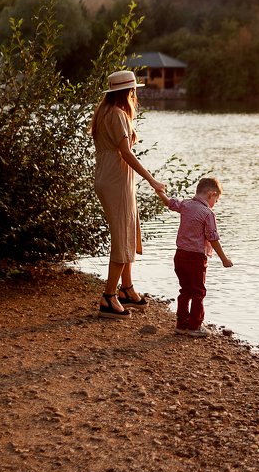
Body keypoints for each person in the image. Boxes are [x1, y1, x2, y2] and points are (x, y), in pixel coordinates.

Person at [90, 70, 166, 320]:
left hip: (108, 177)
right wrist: (152, 180)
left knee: (128, 231)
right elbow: (126, 152)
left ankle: (127, 289)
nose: (134, 94)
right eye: (133, 90)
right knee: (123, 238)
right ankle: (109, 296)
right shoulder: (118, 114)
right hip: (117, 180)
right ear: (128, 92)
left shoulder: (103, 112)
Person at [155, 177, 234, 336]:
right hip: (196, 258)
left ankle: (181, 324)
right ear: (211, 194)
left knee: (185, 290)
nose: (215, 204)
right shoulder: (208, 213)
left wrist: (160, 192)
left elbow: (170, 203)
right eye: (216, 200)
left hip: (180, 255)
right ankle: (195, 326)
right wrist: (224, 259)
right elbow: (213, 238)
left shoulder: (186, 204)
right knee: (198, 292)